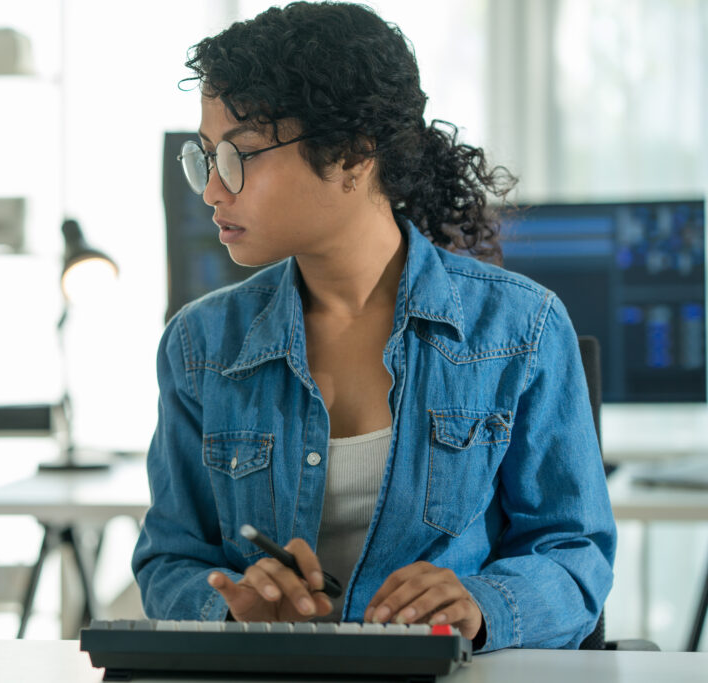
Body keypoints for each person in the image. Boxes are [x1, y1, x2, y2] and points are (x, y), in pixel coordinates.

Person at [131, 1, 616, 653]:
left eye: (237, 156)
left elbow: (573, 551)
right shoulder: (199, 345)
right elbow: (170, 559)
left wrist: (482, 601)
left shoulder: (521, 329)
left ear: (355, 155)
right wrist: (229, 609)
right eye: (206, 157)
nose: (213, 190)